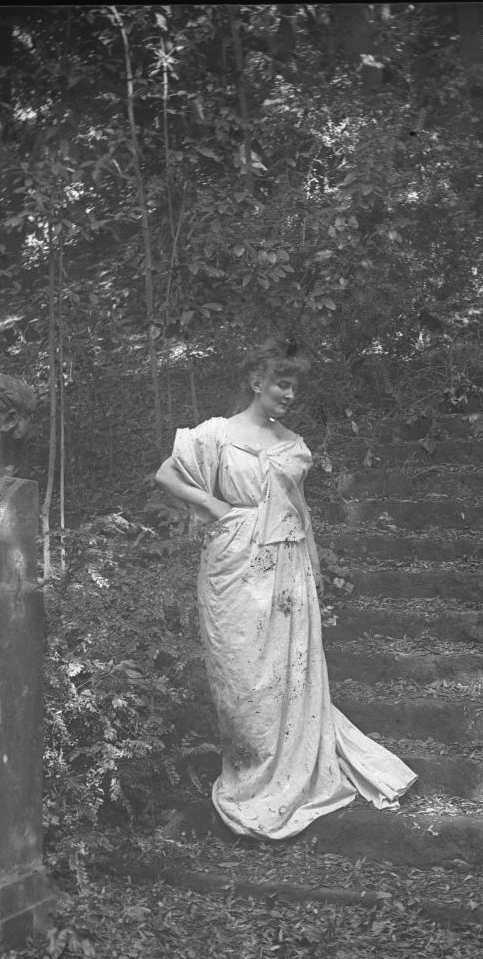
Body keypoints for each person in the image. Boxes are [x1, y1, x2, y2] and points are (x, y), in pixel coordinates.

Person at [155, 338, 417, 840]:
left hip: (288, 563)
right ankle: (254, 771)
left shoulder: (293, 444)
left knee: (289, 667)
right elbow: (167, 473)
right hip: (234, 562)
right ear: (257, 381)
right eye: (281, 383)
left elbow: (301, 507)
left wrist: (314, 561)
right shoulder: (217, 434)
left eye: (295, 386)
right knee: (241, 669)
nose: (289, 394)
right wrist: (213, 507)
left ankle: (295, 768)